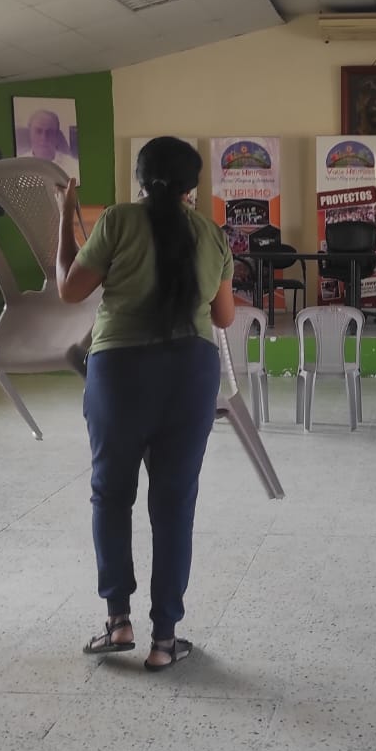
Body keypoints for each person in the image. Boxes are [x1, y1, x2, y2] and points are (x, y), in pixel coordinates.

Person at [54, 137, 235, 671]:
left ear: (139, 178)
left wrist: (65, 219)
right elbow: (224, 317)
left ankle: (118, 622)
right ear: (192, 187)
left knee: (111, 494)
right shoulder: (212, 234)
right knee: (174, 504)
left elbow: (70, 289)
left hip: (120, 372)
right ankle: (164, 640)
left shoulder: (117, 221)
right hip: (190, 372)